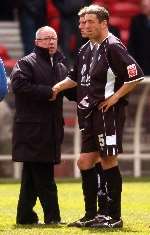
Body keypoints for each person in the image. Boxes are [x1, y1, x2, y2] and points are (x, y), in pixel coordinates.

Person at [52, 4, 144, 228]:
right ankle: (93, 214)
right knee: (84, 162)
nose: (84, 26)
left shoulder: (113, 46)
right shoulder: (85, 49)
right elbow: (74, 78)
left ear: (104, 23)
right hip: (89, 113)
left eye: (90, 22)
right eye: (82, 22)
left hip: (108, 114)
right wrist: (56, 87)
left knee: (107, 160)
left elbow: (135, 76)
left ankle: (114, 217)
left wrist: (114, 97)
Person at [10, 26, 76, 225]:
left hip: (51, 129)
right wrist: (49, 91)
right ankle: (53, 218)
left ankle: (25, 216)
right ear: (36, 41)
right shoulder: (25, 63)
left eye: (54, 38)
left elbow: (69, 91)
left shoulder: (61, 65)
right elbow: (19, 86)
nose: (51, 42)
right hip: (32, 130)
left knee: (31, 176)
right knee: (45, 176)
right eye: (47, 38)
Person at [128, 0, 150, 75]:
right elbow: (132, 44)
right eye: (142, 6)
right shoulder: (136, 20)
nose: (143, 8)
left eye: (145, 6)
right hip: (141, 62)